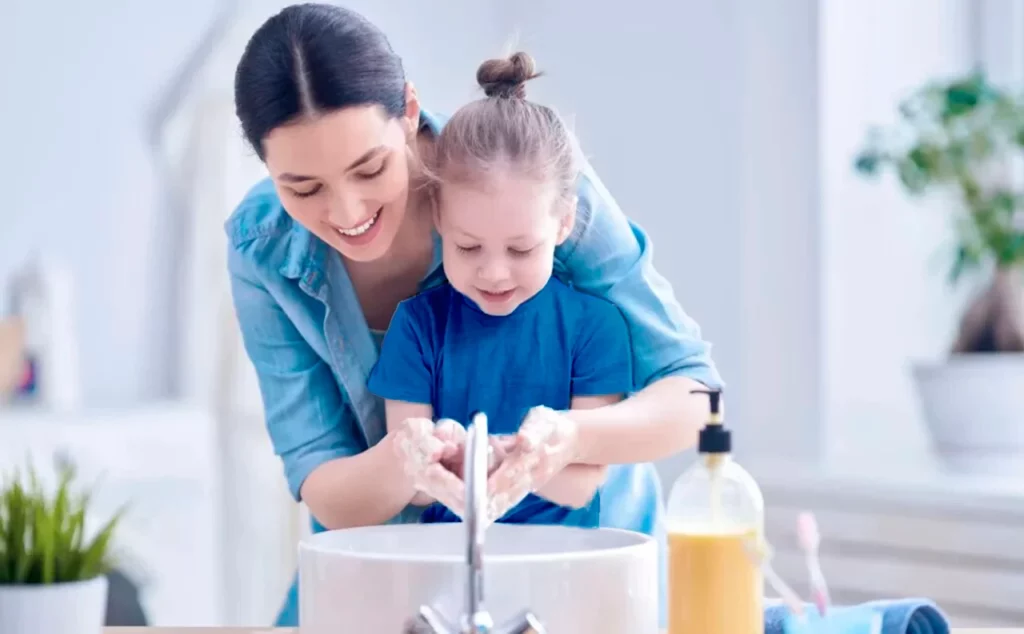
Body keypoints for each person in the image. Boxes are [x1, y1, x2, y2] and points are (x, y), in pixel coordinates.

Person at [228, 3, 722, 626]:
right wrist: (402, 462)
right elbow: (320, 477)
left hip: (583, 571)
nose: (346, 210)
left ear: (408, 112)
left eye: (369, 167)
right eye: (303, 188)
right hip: (392, 572)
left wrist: (570, 439)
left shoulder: (526, 179)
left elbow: (696, 395)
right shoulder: (261, 248)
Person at [367, 51, 633, 529]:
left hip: (564, 564)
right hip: (448, 563)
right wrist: (446, 452)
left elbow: (580, 484)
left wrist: (498, 459)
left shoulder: (596, 329)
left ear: (564, 222)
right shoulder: (418, 326)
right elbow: (413, 474)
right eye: (468, 248)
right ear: (440, 220)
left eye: (520, 250)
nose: (494, 274)